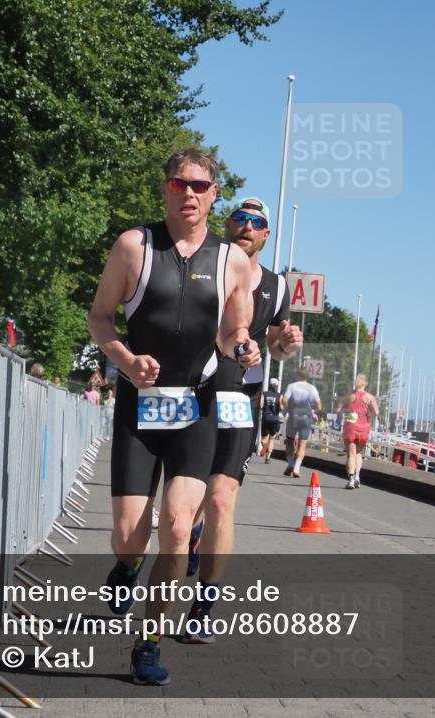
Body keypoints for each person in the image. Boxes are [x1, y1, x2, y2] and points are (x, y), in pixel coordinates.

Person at [87, 147, 258, 686]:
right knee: (127, 535)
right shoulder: (134, 246)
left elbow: (233, 332)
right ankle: (127, 567)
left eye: (201, 186)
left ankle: (149, 645)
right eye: (180, 184)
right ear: (164, 188)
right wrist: (126, 361)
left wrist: (245, 347)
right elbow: (100, 318)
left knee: (180, 529)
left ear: (214, 194)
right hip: (141, 404)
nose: (190, 194)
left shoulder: (233, 261)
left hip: (196, 406)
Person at [181, 197, 301, 644]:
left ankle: (202, 610)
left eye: (257, 223)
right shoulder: (202, 262)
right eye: (241, 218)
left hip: (240, 398)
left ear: (266, 235)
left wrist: (287, 342)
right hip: (193, 393)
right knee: (188, 502)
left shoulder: (276, 285)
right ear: (227, 223)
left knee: (221, 501)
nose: (247, 226)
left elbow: (276, 349)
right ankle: (189, 537)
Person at [337, 374, 379, 489]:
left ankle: (350, 479)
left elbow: (338, 409)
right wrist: (368, 415)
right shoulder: (370, 397)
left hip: (351, 422)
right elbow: (376, 412)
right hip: (363, 423)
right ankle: (357, 477)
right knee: (359, 453)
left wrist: (347, 411)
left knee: (351, 454)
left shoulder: (349, 396)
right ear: (365, 384)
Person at [281, 368, 322, 479]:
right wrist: (311, 409)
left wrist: (287, 408)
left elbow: (284, 400)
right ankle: (297, 468)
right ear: (307, 377)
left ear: (297, 375)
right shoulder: (312, 388)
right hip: (306, 417)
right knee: (302, 444)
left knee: (289, 441)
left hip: (293, 416)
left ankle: (290, 463)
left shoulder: (292, 386)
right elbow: (319, 406)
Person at [259, 377, 283, 463]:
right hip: (275, 418)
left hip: (266, 417)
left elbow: (261, 405)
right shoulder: (279, 395)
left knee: (263, 440)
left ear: (269, 385)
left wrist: (263, 410)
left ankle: (264, 446)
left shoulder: (264, 394)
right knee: (272, 439)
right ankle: (268, 458)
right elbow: (281, 407)